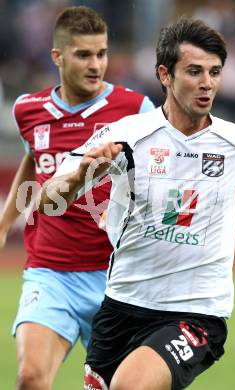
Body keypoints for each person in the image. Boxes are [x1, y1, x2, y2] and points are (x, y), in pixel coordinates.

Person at [40, 18, 235, 390]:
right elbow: (49, 200)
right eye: (194, 71)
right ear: (164, 75)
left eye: (214, 72)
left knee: (131, 387)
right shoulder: (127, 135)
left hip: (196, 311)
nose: (207, 83)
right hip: (122, 305)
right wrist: (84, 173)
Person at [0, 6, 155, 390]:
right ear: (58, 56)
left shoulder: (135, 109)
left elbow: (158, 172)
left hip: (116, 279)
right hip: (51, 273)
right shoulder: (28, 110)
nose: (96, 64)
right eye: (84, 54)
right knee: (31, 377)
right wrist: (4, 224)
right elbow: (35, 163)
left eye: (101, 53)